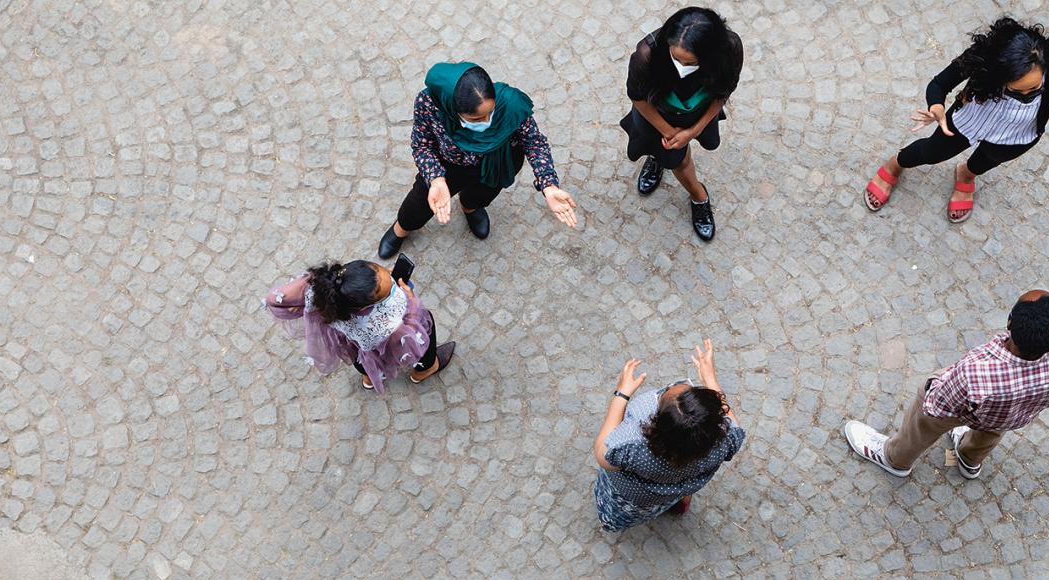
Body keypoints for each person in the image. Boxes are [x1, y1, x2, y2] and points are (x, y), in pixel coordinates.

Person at [863, 17, 1049, 223]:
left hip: (1015, 136)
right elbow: (939, 84)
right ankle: (894, 164)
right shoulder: (983, 59)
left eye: (1034, 89)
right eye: (1016, 91)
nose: (1026, 96)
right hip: (968, 119)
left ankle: (966, 174)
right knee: (931, 153)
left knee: (985, 162)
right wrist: (936, 106)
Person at [842, 290, 1049, 479]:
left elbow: (937, 407)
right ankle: (969, 460)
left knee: (924, 421)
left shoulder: (976, 372)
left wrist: (932, 385)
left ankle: (894, 459)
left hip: (968, 404)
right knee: (991, 430)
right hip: (1011, 415)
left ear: (1010, 323)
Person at [378, 62, 579, 257]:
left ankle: (470, 207)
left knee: (481, 195)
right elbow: (422, 144)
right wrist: (436, 179)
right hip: (449, 166)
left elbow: (534, 142)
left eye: (491, 113)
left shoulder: (510, 103)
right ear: (453, 108)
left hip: (497, 162)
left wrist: (549, 184)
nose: (486, 122)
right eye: (475, 119)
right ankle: (402, 228)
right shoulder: (430, 103)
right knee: (419, 204)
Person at [592, 340, 746, 532]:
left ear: (656, 424)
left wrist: (621, 395)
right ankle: (681, 502)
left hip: (639, 497)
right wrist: (710, 380)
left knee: (623, 511)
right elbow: (730, 420)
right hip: (680, 487)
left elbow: (602, 454)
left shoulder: (633, 448)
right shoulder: (727, 440)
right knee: (675, 495)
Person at [621, 7, 743, 241]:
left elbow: (724, 90)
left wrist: (693, 131)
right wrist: (669, 132)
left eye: (690, 62)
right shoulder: (647, 54)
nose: (680, 66)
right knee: (676, 158)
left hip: (698, 110)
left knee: (677, 153)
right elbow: (637, 97)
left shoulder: (730, 49)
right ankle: (699, 195)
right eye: (675, 57)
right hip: (657, 116)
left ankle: (659, 158)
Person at [263, 260, 455, 393]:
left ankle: (369, 379)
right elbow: (410, 337)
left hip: (357, 347)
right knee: (426, 323)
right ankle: (424, 369)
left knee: (362, 359)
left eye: (380, 270)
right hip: (383, 343)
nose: (388, 275)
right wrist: (411, 301)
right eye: (386, 291)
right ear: (366, 305)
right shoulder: (387, 322)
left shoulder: (327, 293)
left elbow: (275, 298)